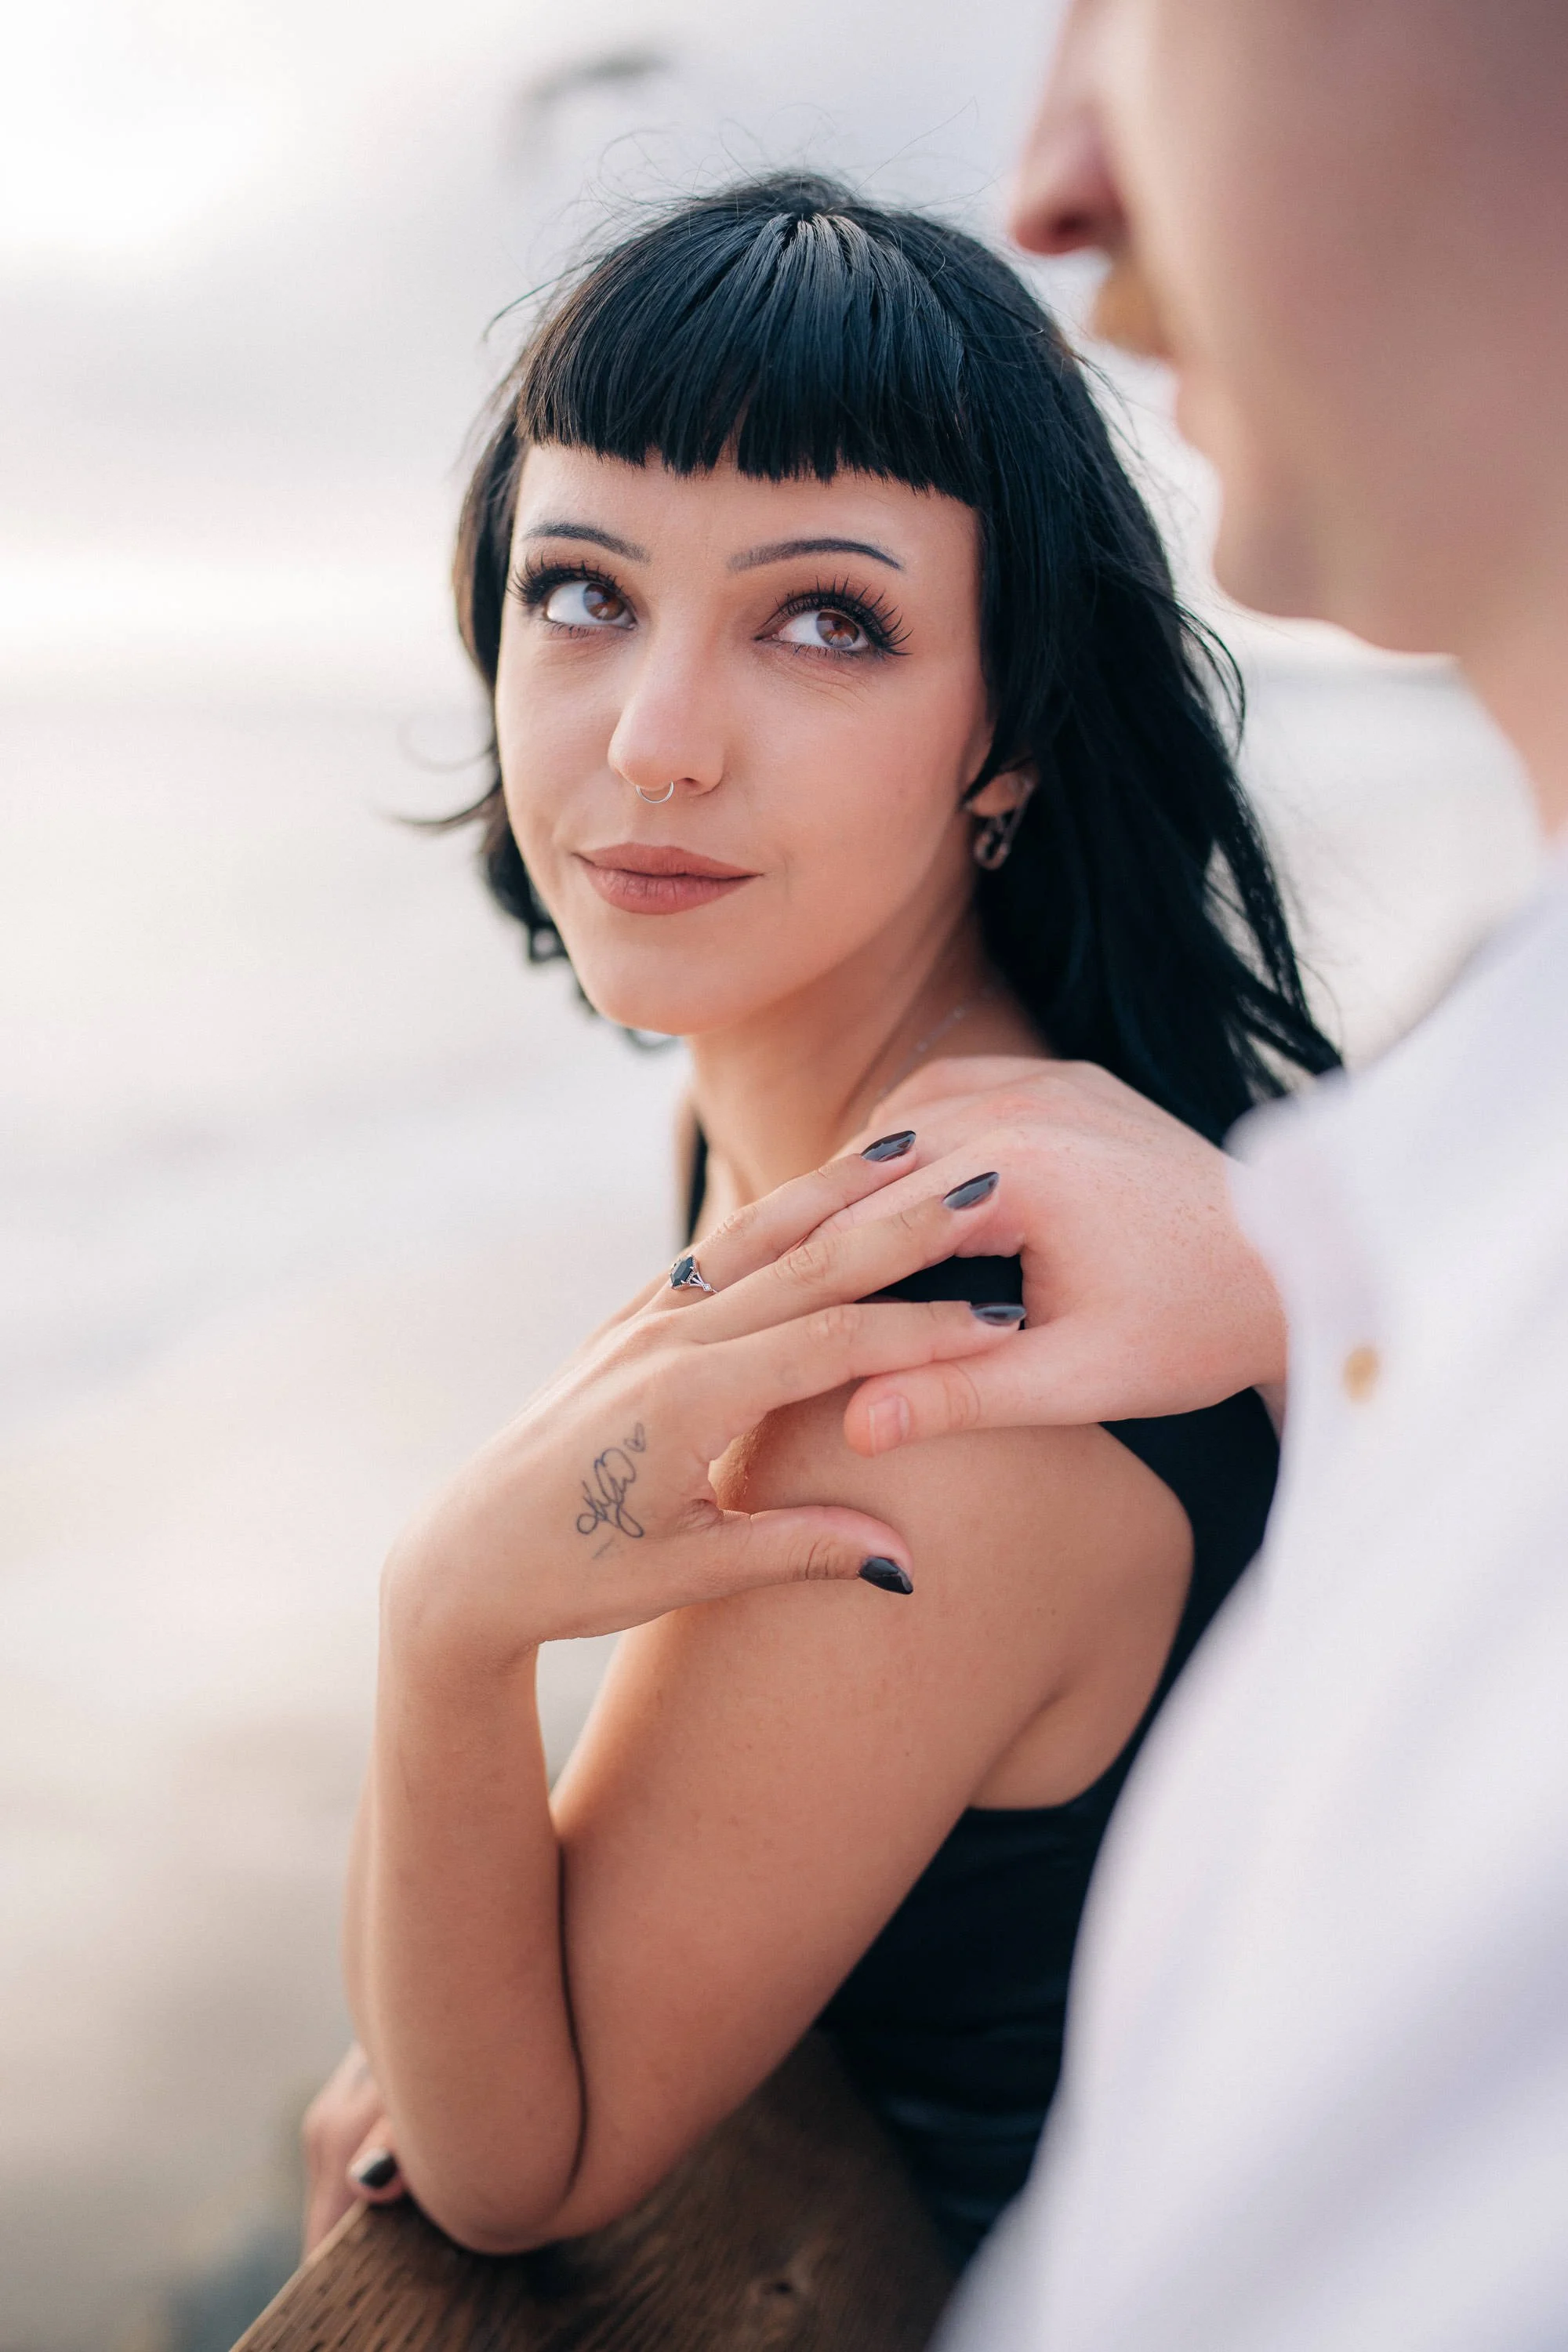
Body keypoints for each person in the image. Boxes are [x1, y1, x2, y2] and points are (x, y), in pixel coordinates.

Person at [299, 173, 1337, 2269]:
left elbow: (526, 2160)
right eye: (580, 590)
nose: (654, 741)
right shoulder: (848, 1101)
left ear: (1010, 745)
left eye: (824, 620)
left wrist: (443, 1630)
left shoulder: (946, 1376)